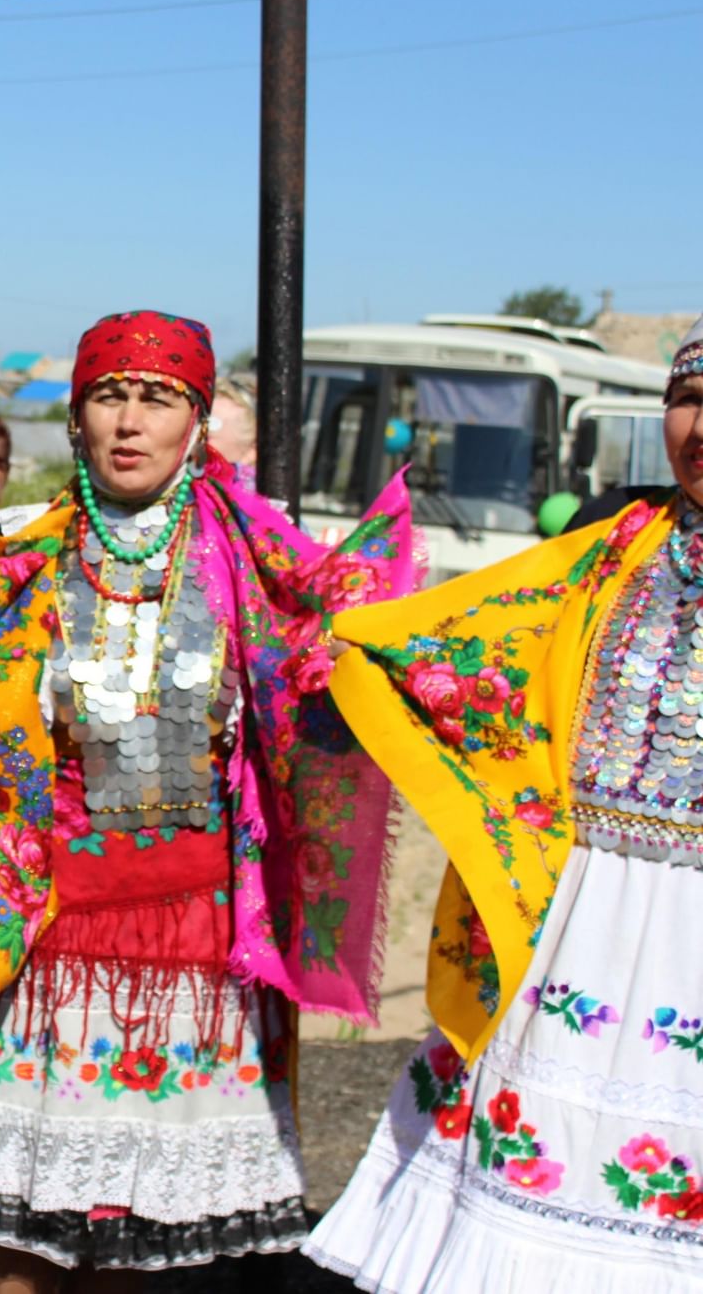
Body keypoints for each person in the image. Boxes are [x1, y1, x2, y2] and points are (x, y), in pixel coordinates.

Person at [0, 312, 414, 1293]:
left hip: (194, 936)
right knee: (20, 1225)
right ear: (77, 417)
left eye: (157, 398)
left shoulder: (258, 566)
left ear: (195, 420)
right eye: (108, 395)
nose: (129, 421)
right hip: (48, 932)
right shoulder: (25, 561)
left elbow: (343, 652)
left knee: (131, 1229)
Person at [302, 312, 703, 1292]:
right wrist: (347, 651)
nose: (701, 424)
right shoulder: (610, 550)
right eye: (688, 398)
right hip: (579, 912)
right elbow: (460, 642)